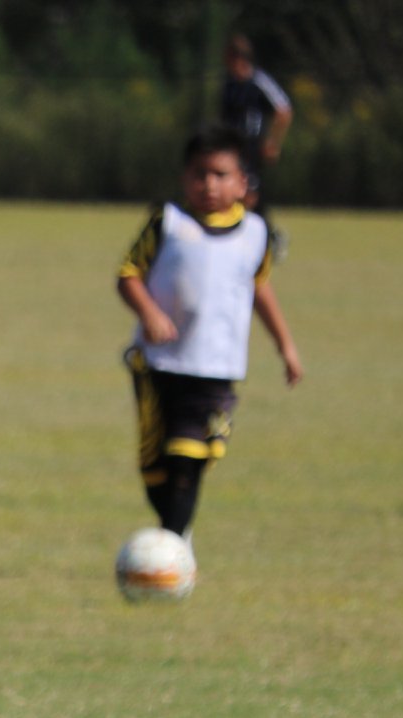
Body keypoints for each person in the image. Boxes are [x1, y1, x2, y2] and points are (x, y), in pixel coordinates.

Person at [116, 127, 302, 547]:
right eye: (199, 174)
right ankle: (175, 541)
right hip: (158, 365)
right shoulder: (168, 223)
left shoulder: (255, 233)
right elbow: (128, 275)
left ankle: (173, 552)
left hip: (216, 369)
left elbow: (259, 288)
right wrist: (150, 313)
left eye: (220, 175)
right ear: (185, 177)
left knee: (190, 459)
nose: (209, 184)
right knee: (157, 473)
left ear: (242, 183)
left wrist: (285, 347)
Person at [219, 34, 293, 258]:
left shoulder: (258, 82)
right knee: (238, 194)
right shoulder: (229, 85)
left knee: (248, 195)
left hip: (252, 149)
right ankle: (256, 236)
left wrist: (273, 142)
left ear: (238, 58)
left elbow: (283, 111)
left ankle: (269, 237)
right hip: (232, 149)